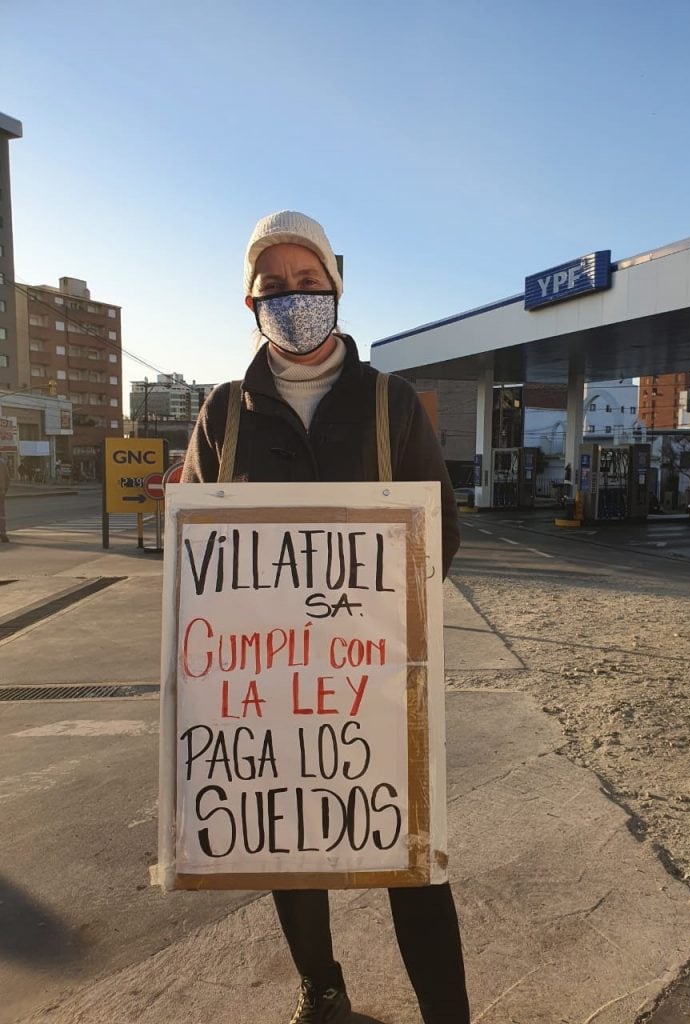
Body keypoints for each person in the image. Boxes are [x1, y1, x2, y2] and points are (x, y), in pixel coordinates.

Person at [183, 211, 470, 1024]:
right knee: (287, 832)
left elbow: (437, 532)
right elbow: (208, 551)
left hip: (378, 676)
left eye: (308, 283)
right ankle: (323, 987)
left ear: (335, 290)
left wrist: (373, 616)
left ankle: (448, 1013)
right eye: (274, 287)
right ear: (251, 304)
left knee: (411, 857)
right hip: (270, 683)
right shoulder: (223, 412)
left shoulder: (392, 402)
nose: (293, 299)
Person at [0, 454, 10, 542]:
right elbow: (7, 479)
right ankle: (3, 533)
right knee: (1, 514)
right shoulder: (2, 463)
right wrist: (4, 490)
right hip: (1, 492)